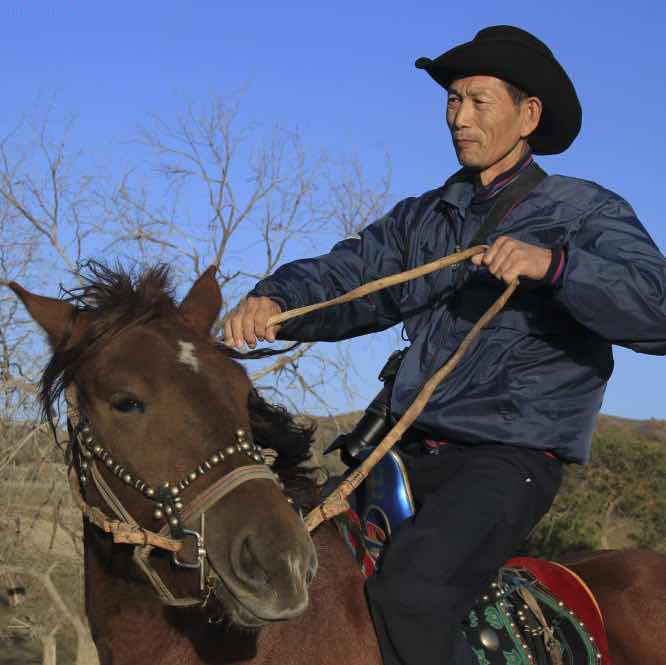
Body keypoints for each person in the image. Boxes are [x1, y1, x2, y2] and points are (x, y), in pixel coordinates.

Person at [224, 25, 666, 665]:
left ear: (528, 115)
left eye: (478, 101)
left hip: (510, 456)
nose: (458, 116)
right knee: (294, 562)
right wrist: (276, 300)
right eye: (452, 100)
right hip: (405, 448)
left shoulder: (585, 213)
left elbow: (656, 305)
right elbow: (353, 275)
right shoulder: (426, 217)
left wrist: (557, 267)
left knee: (413, 592)